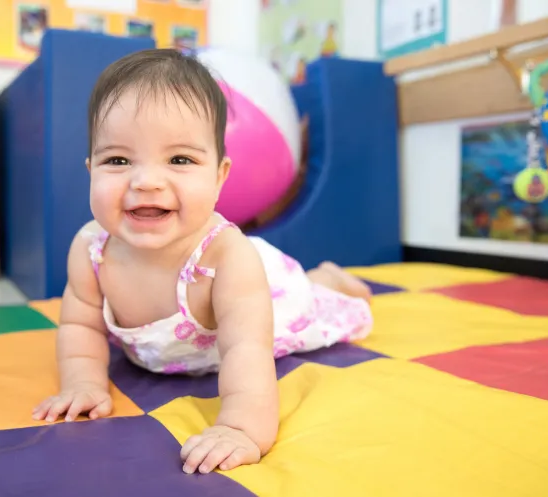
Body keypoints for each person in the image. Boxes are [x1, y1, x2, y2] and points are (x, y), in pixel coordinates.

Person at [32, 48, 373, 475]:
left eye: (180, 160)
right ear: (90, 169)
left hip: (270, 294)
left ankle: (328, 279)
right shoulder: (90, 249)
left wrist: (241, 428)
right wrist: (82, 384)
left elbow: (246, 349)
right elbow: (80, 325)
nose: (147, 181)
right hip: (185, 344)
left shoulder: (227, 257)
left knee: (314, 299)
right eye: (118, 160)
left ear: (219, 176)